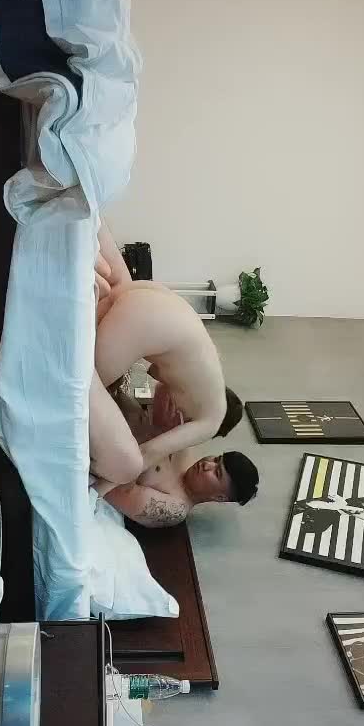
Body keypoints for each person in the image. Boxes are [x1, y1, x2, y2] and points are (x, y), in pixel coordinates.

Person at [89, 222, 243, 491]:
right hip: (147, 321)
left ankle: (93, 224)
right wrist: (98, 493)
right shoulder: (209, 423)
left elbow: (155, 369)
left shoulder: (211, 376)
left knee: (110, 286)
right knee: (80, 394)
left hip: (157, 300)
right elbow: (148, 453)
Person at [103, 382, 259, 527]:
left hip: (97, 445)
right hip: (108, 398)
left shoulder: (174, 508)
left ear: (219, 497)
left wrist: (157, 435)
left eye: (217, 473)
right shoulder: (187, 448)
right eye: (217, 459)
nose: (207, 464)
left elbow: (115, 492)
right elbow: (164, 389)